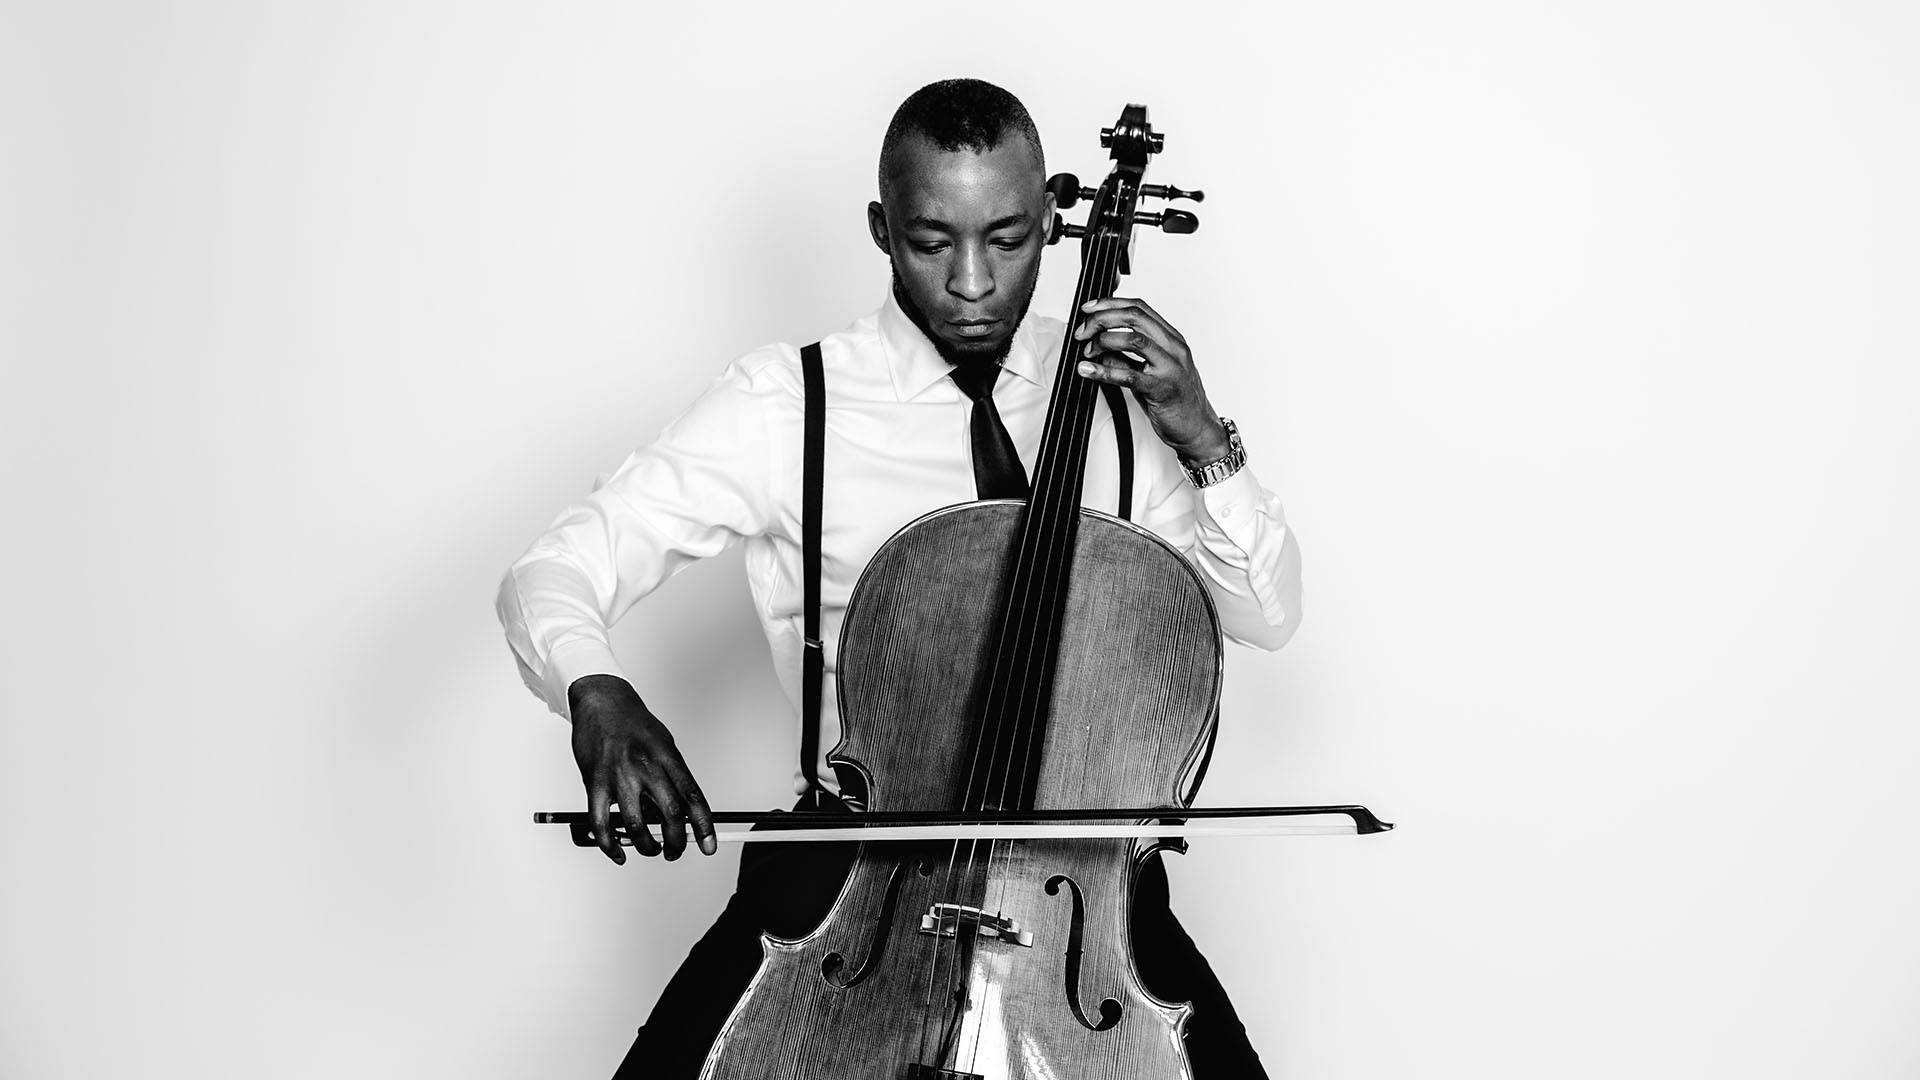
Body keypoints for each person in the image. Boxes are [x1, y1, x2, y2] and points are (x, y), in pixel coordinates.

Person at [497, 78, 1302, 1079]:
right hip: (851, 882)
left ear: (1056, 224)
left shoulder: (1125, 394)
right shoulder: (789, 402)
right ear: (882, 229)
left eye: (1007, 240)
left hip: (1091, 907)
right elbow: (556, 569)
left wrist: (1200, 435)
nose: (972, 281)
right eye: (933, 242)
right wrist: (595, 690)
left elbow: (1265, 617)